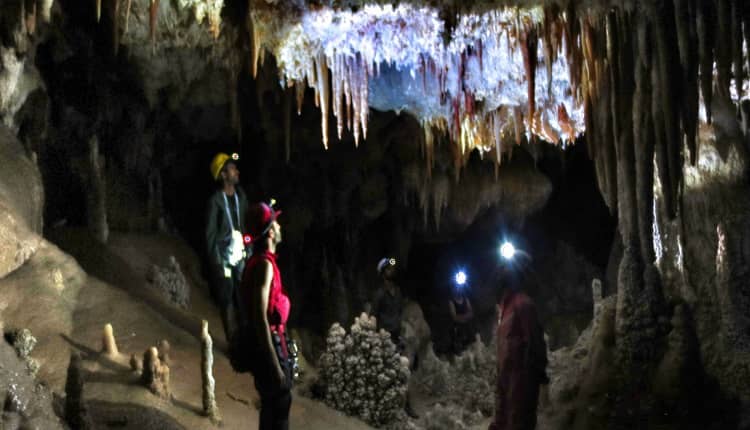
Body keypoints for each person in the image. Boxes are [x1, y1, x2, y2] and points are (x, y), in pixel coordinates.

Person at [241, 202, 292, 430]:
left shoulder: (259, 262)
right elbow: (259, 316)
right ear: (270, 232)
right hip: (268, 346)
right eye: (275, 221)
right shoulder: (264, 266)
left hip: (270, 341)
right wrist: (275, 364)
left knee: (272, 408)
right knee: (279, 406)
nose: (279, 225)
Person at [489, 265, 548, 430]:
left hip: (521, 381)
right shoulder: (504, 309)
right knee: (503, 419)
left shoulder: (523, 304)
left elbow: (535, 341)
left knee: (519, 422)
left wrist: (540, 375)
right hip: (506, 380)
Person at [205, 152, 249, 341]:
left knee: (244, 297)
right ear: (223, 175)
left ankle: (247, 339)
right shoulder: (215, 201)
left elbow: (246, 224)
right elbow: (211, 234)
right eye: (232, 168)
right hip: (223, 259)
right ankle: (233, 343)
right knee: (227, 298)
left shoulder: (241, 197)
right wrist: (216, 261)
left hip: (241, 255)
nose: (236, 171)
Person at [370, 257, 419, 419]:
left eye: (393, 269)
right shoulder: (379, 294)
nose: (392, 271)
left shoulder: (397, 292)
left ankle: (406, 406)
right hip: (384, 339)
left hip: (397, 337)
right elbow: (373, 316)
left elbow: (399, 312)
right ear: (383, 273)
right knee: (385, 376)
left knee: (405, 371)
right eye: (389, 269)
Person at [448, 287, 474, 354]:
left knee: (471, 332)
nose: (459, 290)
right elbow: (454, 317)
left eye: (460, 289)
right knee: (458, 333)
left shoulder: (466, 299)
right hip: (458, 325)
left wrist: (462, 317)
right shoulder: (452, 301)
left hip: (467, 324)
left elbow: (471, 312)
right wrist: (465, 316)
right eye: (457, 289)